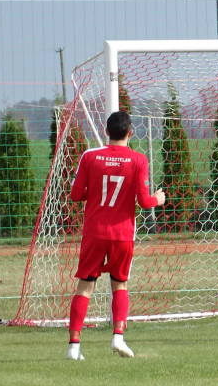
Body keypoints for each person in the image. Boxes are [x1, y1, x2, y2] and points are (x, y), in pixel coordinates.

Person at [66, 110, 166, 360]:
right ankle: (118, 338)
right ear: (130, 133)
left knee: (85, 286)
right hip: (122, 234)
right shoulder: (139, 160)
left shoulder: (90, 156)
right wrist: (159, 199)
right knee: (119, 283)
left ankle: (74, 347)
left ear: (106, 131)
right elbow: (144, 202)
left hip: (94, 233)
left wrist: (96, 192)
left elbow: (75, 195)